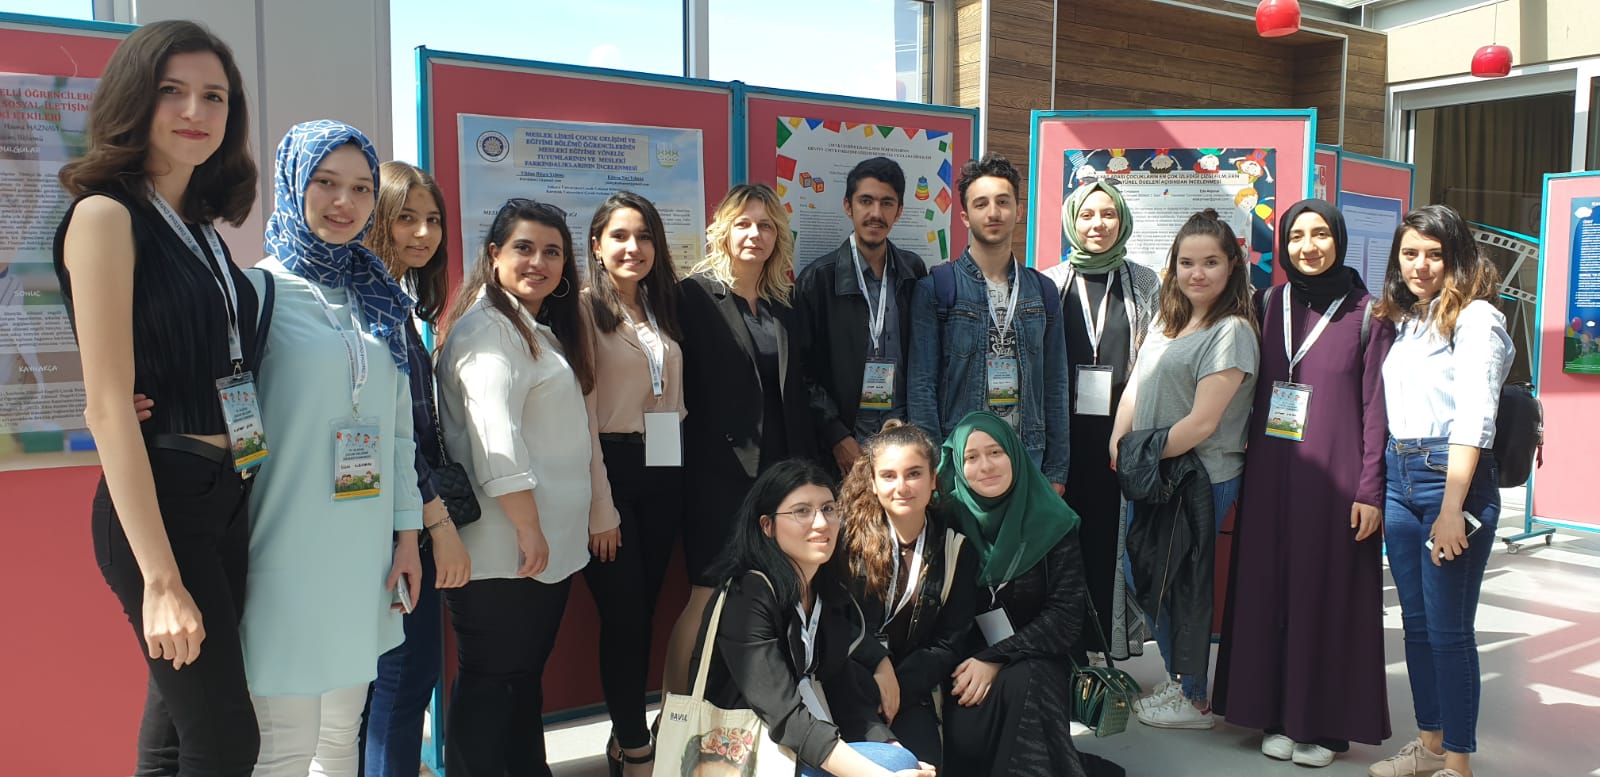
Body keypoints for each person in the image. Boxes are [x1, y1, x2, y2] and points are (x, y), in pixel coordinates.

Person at [53, 20, 261, 776]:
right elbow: (108, 405)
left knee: (176, 736)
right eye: (172, 91)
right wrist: (160, 580)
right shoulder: (106, 215)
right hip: (161, 497)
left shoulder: (201, 229)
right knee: (226, 742)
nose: (196, 111)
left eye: (215, 96)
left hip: (226, 492)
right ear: (134, 99)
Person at [238, 121, 422, 777]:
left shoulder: (379, 297)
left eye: (362, 188)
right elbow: (229, 422)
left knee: (343, 736)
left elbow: (398, 434)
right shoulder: (254, 293)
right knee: (284, 744)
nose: (344, 202)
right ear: (293, 185)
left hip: (363, 551)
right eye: (325, 182)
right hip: (280, 548)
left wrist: (407, 536)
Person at [434, 197, 618, 777]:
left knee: (518, 681)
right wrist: (528, 527)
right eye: (524, 248)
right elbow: (497, 440)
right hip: (505, 547)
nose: (538, 262)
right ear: (494, 255)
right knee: (492, 684)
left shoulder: (528, 326)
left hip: (535, 545)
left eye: (552, 252)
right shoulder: (489, 331)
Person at [1212, 199, 1395, 767]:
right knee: (1270, 590)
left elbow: (1377, 411)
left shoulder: (1368, 314)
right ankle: (1274, 714)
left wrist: (1370, 491)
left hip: (1337, 481)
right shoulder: (1267, 303)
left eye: (1320, 235)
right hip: (1271, 475)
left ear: (1338, 239)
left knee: (1326, 596)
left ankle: (1323, 727)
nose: (1308, 247)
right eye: (1296, 236)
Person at [1366, 205, 1512, 777]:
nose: (1420, 266)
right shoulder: (1410, 320)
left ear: (1457, 258)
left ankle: (1458, 763)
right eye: (1410, 253)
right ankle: (1428, 745)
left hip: (1451, 480)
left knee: (1449, 631)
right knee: (1417, 625)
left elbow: (1476, 418)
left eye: (1434, 254)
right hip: (1400, 474)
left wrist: (1453, 507)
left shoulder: (1476, 319)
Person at [685, 459, 934, 777]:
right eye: (801, 511)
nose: (821, 523)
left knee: (901, 759)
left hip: (792, 747)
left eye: (828, 509)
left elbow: (845, 695)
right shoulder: (747, 595)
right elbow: (785, 716)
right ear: (767, 526)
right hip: (744, 754)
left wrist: (894, 750)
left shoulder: (824, 592)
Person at [663, 184, 817, 695]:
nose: (755, 234)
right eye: (744, 224)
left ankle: (757, 705)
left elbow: (797, 389)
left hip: (780, 478)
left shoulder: (783, 304)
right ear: (724, 231)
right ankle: (674, 717)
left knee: (774, 591)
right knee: (706, 595)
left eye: (766, 225)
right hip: (716, 477)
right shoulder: (692, 297)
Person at [1110, 209, 1259, 731]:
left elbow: (1202, 423)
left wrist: (1136, 454)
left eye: (1210, 262)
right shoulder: (1167, 319)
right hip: (1155, 473)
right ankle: (1180, 681)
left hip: (1199, 477)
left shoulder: (1232, 331)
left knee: (1181, 585)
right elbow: (1137, 383)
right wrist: (1118, 438)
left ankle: (1191, 697)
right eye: (1187, 262)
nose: (1197, 273)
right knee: (1145, 575)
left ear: (1232, 265)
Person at [359, 160, 472, 777]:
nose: (424, 233)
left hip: (396, 517)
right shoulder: (373, 311)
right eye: (406, 218)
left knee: (385, 687)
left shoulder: (396, 306)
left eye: (433, 219)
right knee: (403, 680)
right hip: (394, 524)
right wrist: (437, 524)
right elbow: (398, 441)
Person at [580, 191, 687, 777]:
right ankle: (634, 744)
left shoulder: (660, 306)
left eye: (644, 236)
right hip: (610, 471)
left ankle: (625, 735)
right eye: (620, 236)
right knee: (623, 618)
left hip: (664, 470)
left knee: (644, 613)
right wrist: (601, 506)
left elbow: (673, 401)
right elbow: (583, 416)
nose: (633, 247)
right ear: (597, 245)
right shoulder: (581, 310)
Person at [1041, 180, 1161, 661]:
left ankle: (1105, 653)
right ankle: (1064, 652)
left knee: (1111, 544)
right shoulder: (1048, 282)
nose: (1098, 224)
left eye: (1108, 214)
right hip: (1062, 444)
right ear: (1072, 221)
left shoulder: (1145, 283)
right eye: (1087, 215)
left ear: (1122, 220)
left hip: (1118, 441)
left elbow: (1152, 362)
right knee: (1063, 545)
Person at [937, 412, 1092, 777]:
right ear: (958, 465)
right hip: (962, 664)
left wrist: (995, 657)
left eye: (996, 452)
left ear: (1015, 455)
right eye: (971, 457)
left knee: (1030, 682)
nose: (986, 466)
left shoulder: (1052, 521)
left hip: (1036, 656)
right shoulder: (946, 519)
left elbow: (1066, 617)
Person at [907, 152, 1070, 495]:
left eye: (1002, 202)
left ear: (1018, 211)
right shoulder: (937, 289)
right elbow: (921, 388)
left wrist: (1056, 470)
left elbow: (1055, 384)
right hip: (960, 461)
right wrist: (934, 468)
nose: (993, 213)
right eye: (981, 204)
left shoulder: (1042, 291)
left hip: (1027, 458)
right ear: (965, 216)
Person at [839, 420, 978, 767]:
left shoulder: (954, 549)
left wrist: (897, 685)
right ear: (873, 483)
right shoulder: (844, 542)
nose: (901, 487)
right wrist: (877, 662)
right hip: (846, 683)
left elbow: (949, 642)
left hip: (911, 690)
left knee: (920, 766)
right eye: (888, 476)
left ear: (933, 479)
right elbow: (831, 619)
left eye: (914, 474)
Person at [795, 157, 929, 477]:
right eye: (865, 201)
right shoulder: (818, 279)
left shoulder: (913, 272)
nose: (876, 213)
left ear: (899, 211)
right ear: (848, 206)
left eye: (887, 203)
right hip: (846, 442)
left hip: (902, 435)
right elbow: (800, 371)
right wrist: (836, 435)